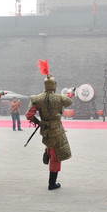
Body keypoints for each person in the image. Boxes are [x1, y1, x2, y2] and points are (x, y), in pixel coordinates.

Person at [26, 59, 74, 190]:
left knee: (51, 149)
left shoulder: (37, 98)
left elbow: (29, 115)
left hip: (45, 130)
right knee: (55, 157)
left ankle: (47, 153)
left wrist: (39, 123)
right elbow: (68, 101)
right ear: (54, 85)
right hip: (57, 130)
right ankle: (52, 183)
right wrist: (70, 93)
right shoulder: (59, 98)